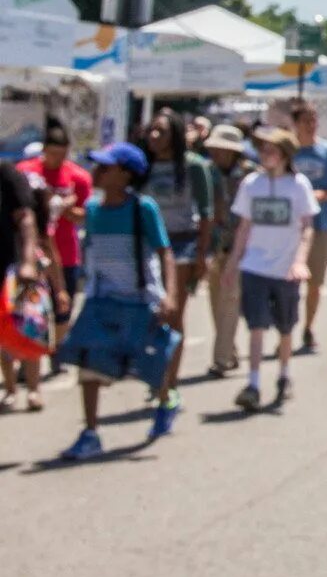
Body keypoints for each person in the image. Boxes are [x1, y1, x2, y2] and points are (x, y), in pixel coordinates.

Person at [59, 142, 177, 458]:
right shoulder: (95, 210)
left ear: (126, 174)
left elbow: (165, 252)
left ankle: (166, 399)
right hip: (101, 300)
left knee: (149, 365)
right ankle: (90, 431)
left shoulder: (143, 209)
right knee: (89, 365)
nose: (97, 172)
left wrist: (169, 296)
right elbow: (79, 220)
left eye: (106, 167)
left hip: (139, 302)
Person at [227, 128, 318, 412]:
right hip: (254, 266)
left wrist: (300, 261)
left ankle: (284, 375)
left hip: (285, 270)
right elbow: (244, 228)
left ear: (284, 154)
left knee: (286, 327)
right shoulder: (251, 184)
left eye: (271, 150)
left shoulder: (298, 185)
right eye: (262, 149)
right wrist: (232, 263)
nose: (265, 154)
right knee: (255, 326)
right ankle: (253, 383)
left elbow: (306, 228)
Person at [138, 108, 212, 423]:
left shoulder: (193, 167)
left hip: (182, 247)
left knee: (174, 317)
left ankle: (170, 382)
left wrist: (200, 258)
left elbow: (207, 214)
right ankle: (158, 376)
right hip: (147, 249)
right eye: (152, 131)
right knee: (149, 317)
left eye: (162, 131)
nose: (155, 137)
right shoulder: (143, 167)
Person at [17, 121, 92, 375]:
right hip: (32, 252)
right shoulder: (26, 173)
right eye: (51, 154)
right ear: (44, 150)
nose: (55, 160)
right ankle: (28, 358)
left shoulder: (78, 177)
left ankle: (57, 349)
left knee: (63, 307)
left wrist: (61, 208)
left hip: (67, 251)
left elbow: (85, 216)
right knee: (29, 310)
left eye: (61, 155)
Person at [286, 99, 327, 356]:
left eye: (314, 120)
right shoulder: (288, 152)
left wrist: (324, 194)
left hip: (319, 226)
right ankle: (286, 328)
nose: (311, 126)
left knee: (314, 282)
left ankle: (308, 327)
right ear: (296, 124)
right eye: (305, 121)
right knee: (288, 283)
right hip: (287, 228)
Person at [201, 123, 255, 376]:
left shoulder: (250, 175)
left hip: (241, 248)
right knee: (215, 302)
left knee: (230, 301)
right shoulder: (206, 172)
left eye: (223, 149)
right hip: (213, 247)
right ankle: (229, 350)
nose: (217, 154)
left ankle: (221, 359)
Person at [0, 160, 45, 412]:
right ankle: (9, 389)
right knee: (2, 334)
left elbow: (27, 219)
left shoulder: (7, 175)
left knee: (29, 327)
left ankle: (34, 388)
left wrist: (28, 261)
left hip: (16, 268)